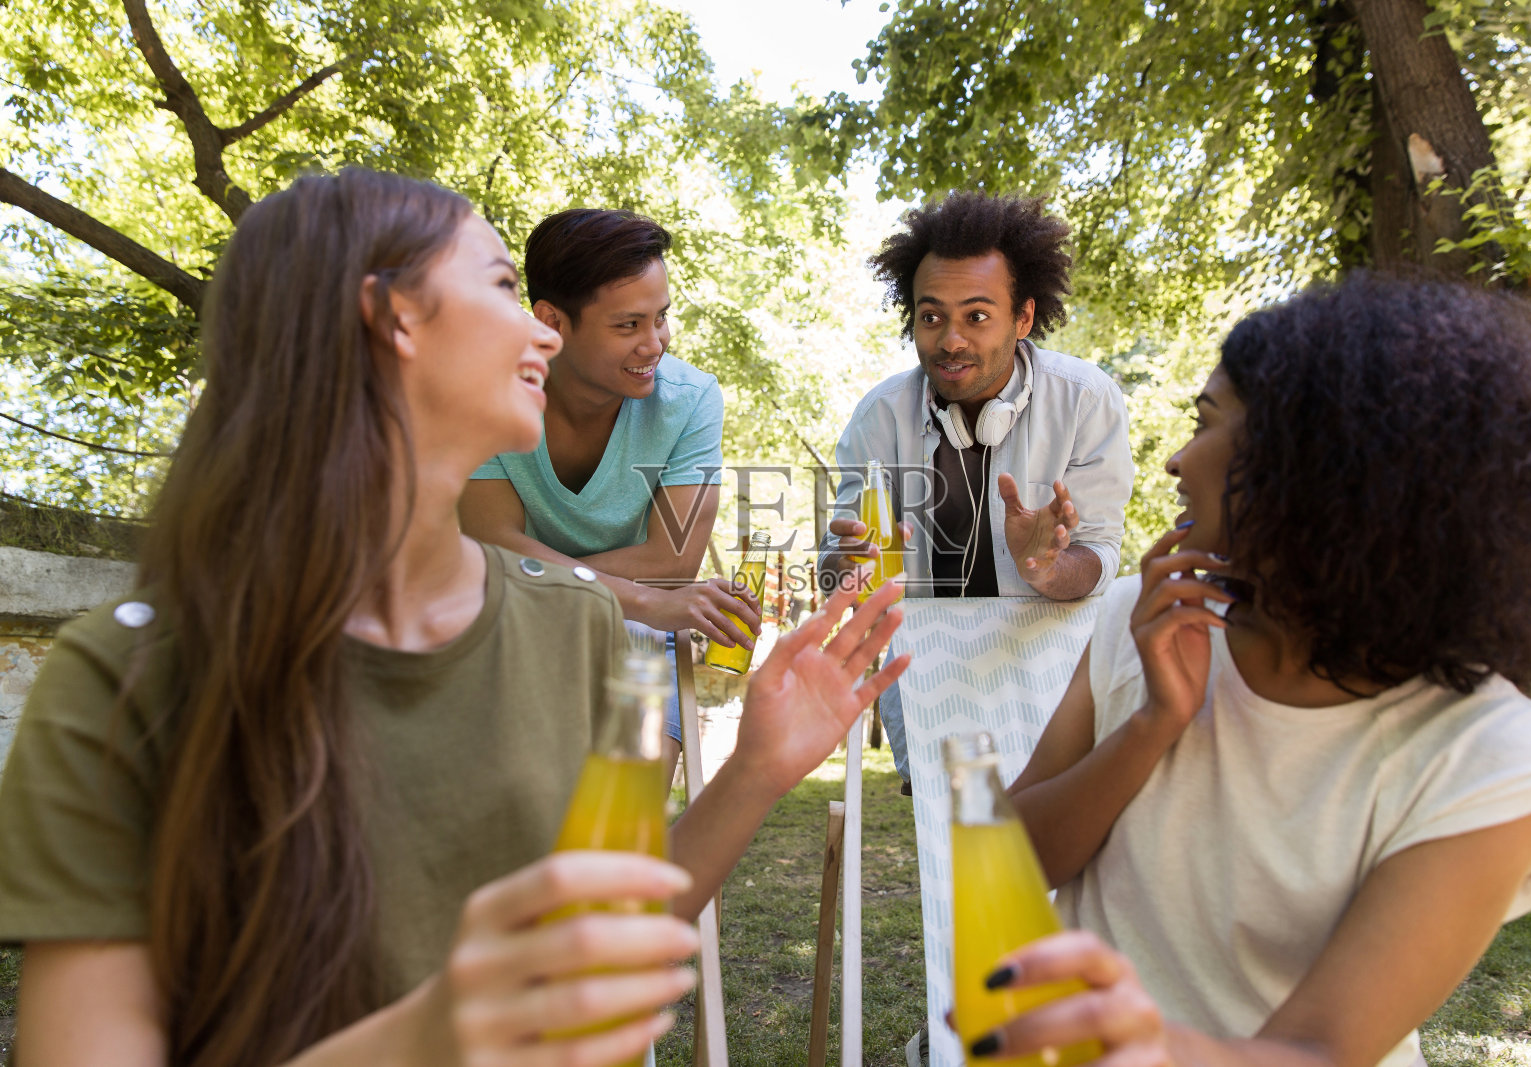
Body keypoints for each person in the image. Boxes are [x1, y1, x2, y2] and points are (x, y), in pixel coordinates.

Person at [0, 169, 909, 1067]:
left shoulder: (572, 624)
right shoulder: (123, 679)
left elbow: (602, 936)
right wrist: (439, 1029)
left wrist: (755, 771)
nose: (541, 333)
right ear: (394, 318)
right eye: (504, 288)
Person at [967, 275, 1531, 1065]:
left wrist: (1146, 1045)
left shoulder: (1494, 758)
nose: (1176, 460)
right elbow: (1005, 863)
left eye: (1205, 423)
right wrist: (1151, 727)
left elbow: (1320, 1049)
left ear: (1317, 468)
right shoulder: (1144, 618)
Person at [818, 191, 1135, 787]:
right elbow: (838, 576)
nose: (951, 340)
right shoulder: (879, 418)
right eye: (931, 316)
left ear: (1024, 318)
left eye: (977, 316)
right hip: (929, 696)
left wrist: (1046, 568)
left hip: (1055, 694)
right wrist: (845, 566)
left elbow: (1100, 555)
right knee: (949, 847)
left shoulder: (1086, 400)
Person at [459, 207, 759, 773]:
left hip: (626, 634)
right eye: (628, 325)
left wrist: (532, 574)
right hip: (508, 627)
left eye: (661, 318)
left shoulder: (691, 400)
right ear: (551, 321)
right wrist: (643, 597)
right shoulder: (484, 391)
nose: (655, 343)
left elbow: (671, 561)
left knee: (628, 806)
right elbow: (492, 547)